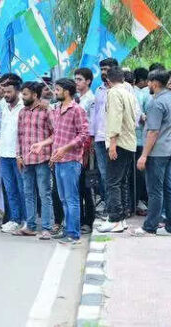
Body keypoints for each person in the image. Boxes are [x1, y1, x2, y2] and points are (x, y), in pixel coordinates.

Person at [133, 69, 171, 236]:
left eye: (149, 82)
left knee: (155, 190)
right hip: (169, 149)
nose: (147, 85)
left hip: (156, 153)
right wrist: (168, 138)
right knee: (169, 188)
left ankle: (150, 226)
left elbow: (153, 131)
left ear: (155, 83)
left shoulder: (155, 103)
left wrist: (144, 155)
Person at [95, 67, 138, 233]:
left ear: (108, 81)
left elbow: (114, 118)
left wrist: (112, 143)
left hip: (118, 143)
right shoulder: (128, 92)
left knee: (112, 182)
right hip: (129, 142)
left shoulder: (113, 93)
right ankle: (121, 219)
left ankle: (115, 219)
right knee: (120, 182)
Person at [50, 78, 89, 244]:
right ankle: (68, 229)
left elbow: (84, 135)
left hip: (71, 160)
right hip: (58, 160)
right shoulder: (58, 109)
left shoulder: (77, 110)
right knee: (63, 198)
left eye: (57, 89)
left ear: (66, 91)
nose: (55, 92)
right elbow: (56, 135)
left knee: (72, 198)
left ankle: (73, 234)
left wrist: (65, 149)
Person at [15, 81, 55, 239]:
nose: (22, 97)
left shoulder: (47, 111)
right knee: (28, 194)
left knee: (44, 194)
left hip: (43, 159)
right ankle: (30, 226)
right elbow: (19, 136)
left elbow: (55, 134)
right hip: (26, 160)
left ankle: (47, 227)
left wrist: (51, 154)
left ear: (35, 95)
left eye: (25, 94)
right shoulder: (22, 112)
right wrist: (18, 155)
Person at [0, 76, 26, 233]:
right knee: (10, 189)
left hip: (18, 156)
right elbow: (3, 131)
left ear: (17, 91)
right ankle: (15, 219)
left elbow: (23, 134)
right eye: (4, 91)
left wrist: (21, 154)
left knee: (23, 189)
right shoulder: (4, 107)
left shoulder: (23, 107)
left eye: (9, 91)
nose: (6, 94)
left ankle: (28, 221)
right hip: (4, 155)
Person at [91, 58, 118, 211]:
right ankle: (109, 207)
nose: (103, 72)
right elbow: (95, 115)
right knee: (104, 174)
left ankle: (118, 209)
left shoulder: (123, 89)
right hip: (100, 138)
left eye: (106, 69)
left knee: (116, 176)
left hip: (116, 139)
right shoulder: (99, 90)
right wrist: (92, 136)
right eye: (101, 69)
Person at [74, 67, 96, 233]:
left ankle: (88, 220)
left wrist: (91, 146)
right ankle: (78, 219)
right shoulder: (76, 98)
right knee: (76, 185)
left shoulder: (91, 99)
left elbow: (92, 125)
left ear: (88, 81)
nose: (77, 82)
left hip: (86, 144)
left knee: (86, 185)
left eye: (80, 79)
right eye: (76, 79)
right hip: (74, 144)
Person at [133, 67, 151, 214]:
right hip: (142, 140)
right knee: (141, 175)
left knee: (133, 175)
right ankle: (141, 201)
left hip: (130, 140)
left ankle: (134, 202)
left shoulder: (129, 92)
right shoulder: (145, 94)